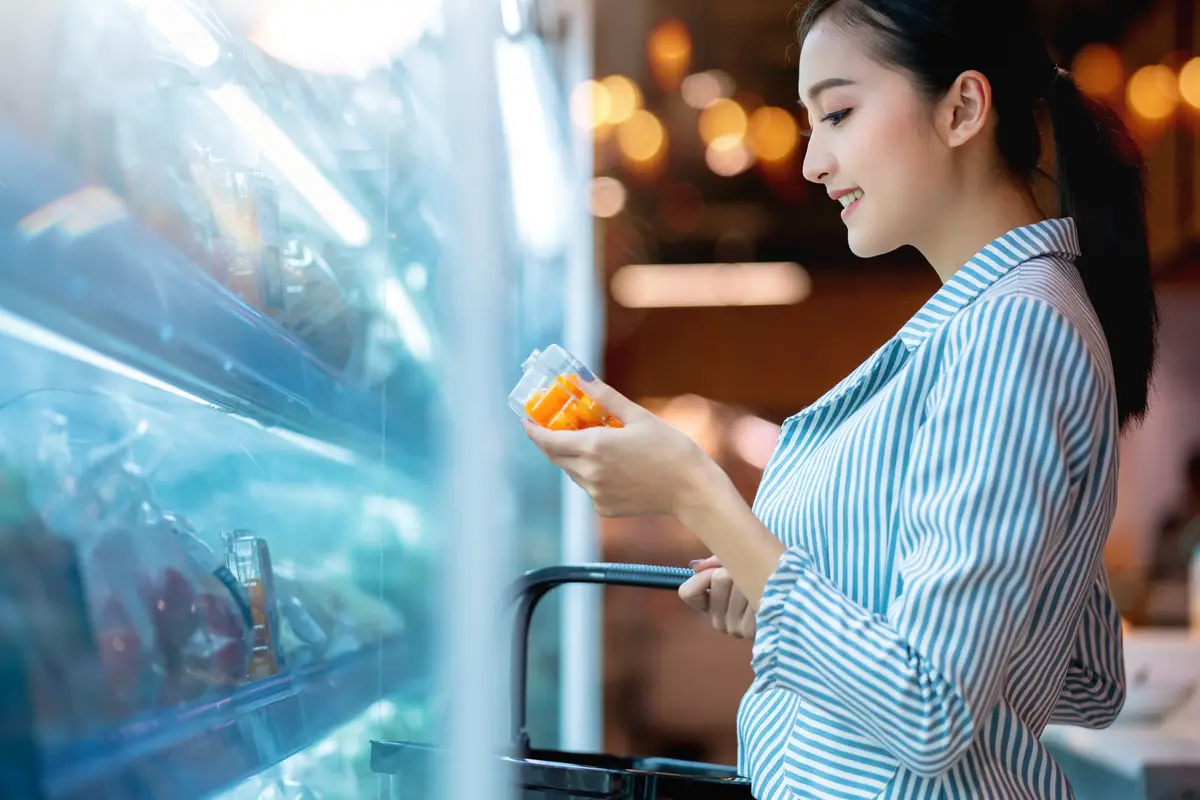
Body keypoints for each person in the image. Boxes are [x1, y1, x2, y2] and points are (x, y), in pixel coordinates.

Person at [523, 0, 1157, 796]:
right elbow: (1080, 673)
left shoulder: (1013, 333)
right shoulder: (1001, 320)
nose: (813, 161)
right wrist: (793, 595)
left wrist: (697, 491)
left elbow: (930, 711)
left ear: (962, 107)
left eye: (839, 113)